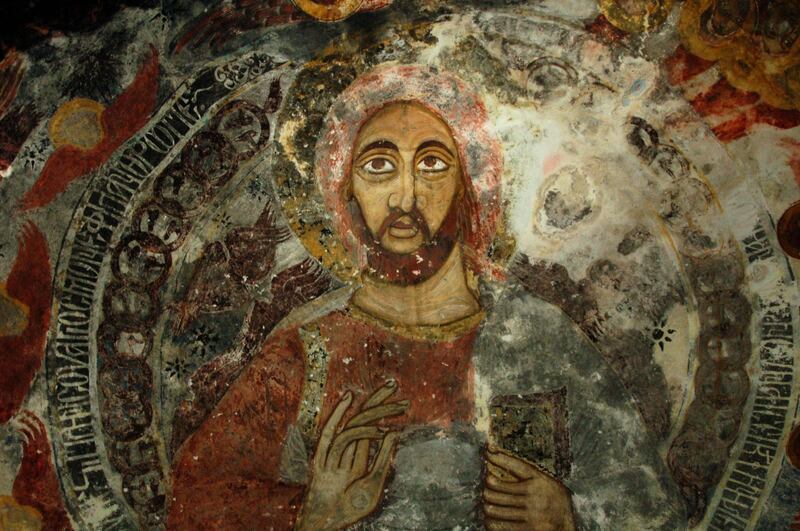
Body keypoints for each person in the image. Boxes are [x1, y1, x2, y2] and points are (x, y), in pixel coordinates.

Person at [167, 65, 686, 530]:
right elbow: (194, 504)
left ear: (469, 186)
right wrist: (311, 512)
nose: (406, 196)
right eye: (377, 166)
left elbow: (649, 505)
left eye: (433, 164)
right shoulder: (307, 352)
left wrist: (567, 515)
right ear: (343, 191)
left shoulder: (535, 338)